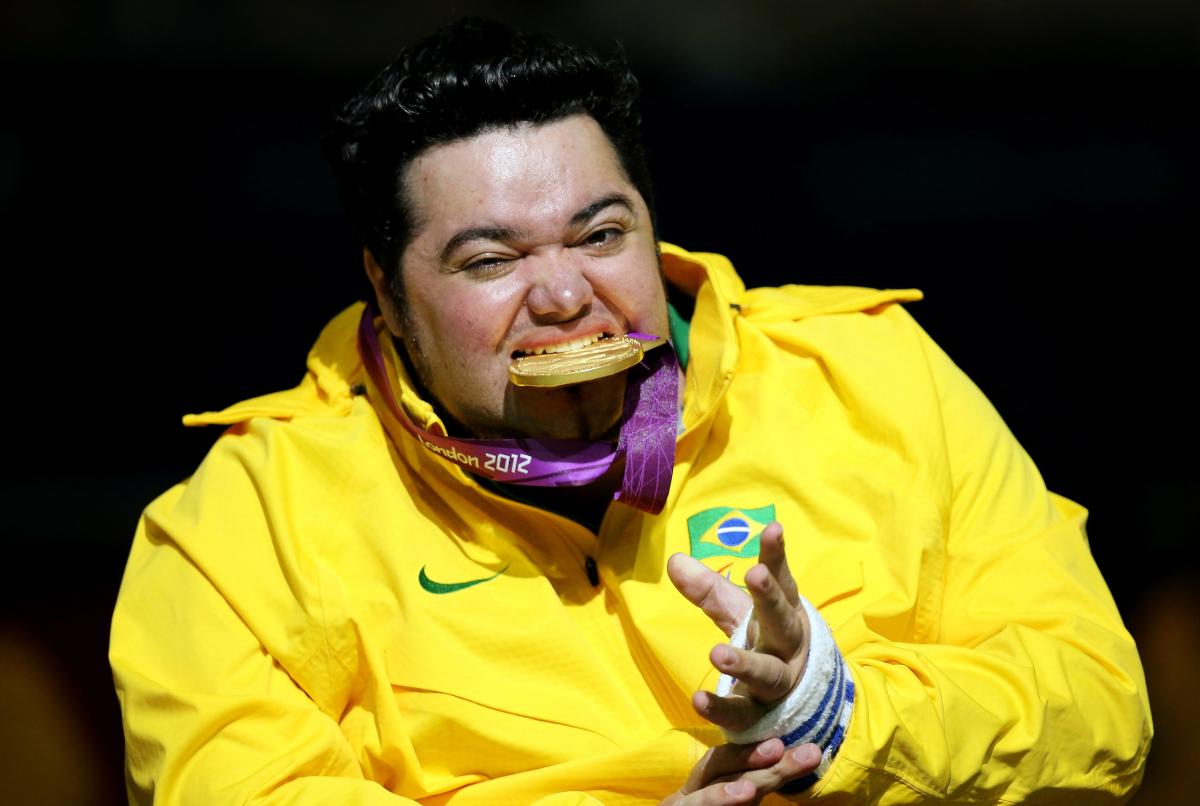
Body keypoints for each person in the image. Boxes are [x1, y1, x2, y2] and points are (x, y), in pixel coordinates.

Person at [110, 18, 1151, 805]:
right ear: (385, 292)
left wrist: (829, 708)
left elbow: (1103, 707)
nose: (564, 295)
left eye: (600, 234)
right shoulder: (238, 526)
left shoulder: (874, 376)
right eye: (490, 258)